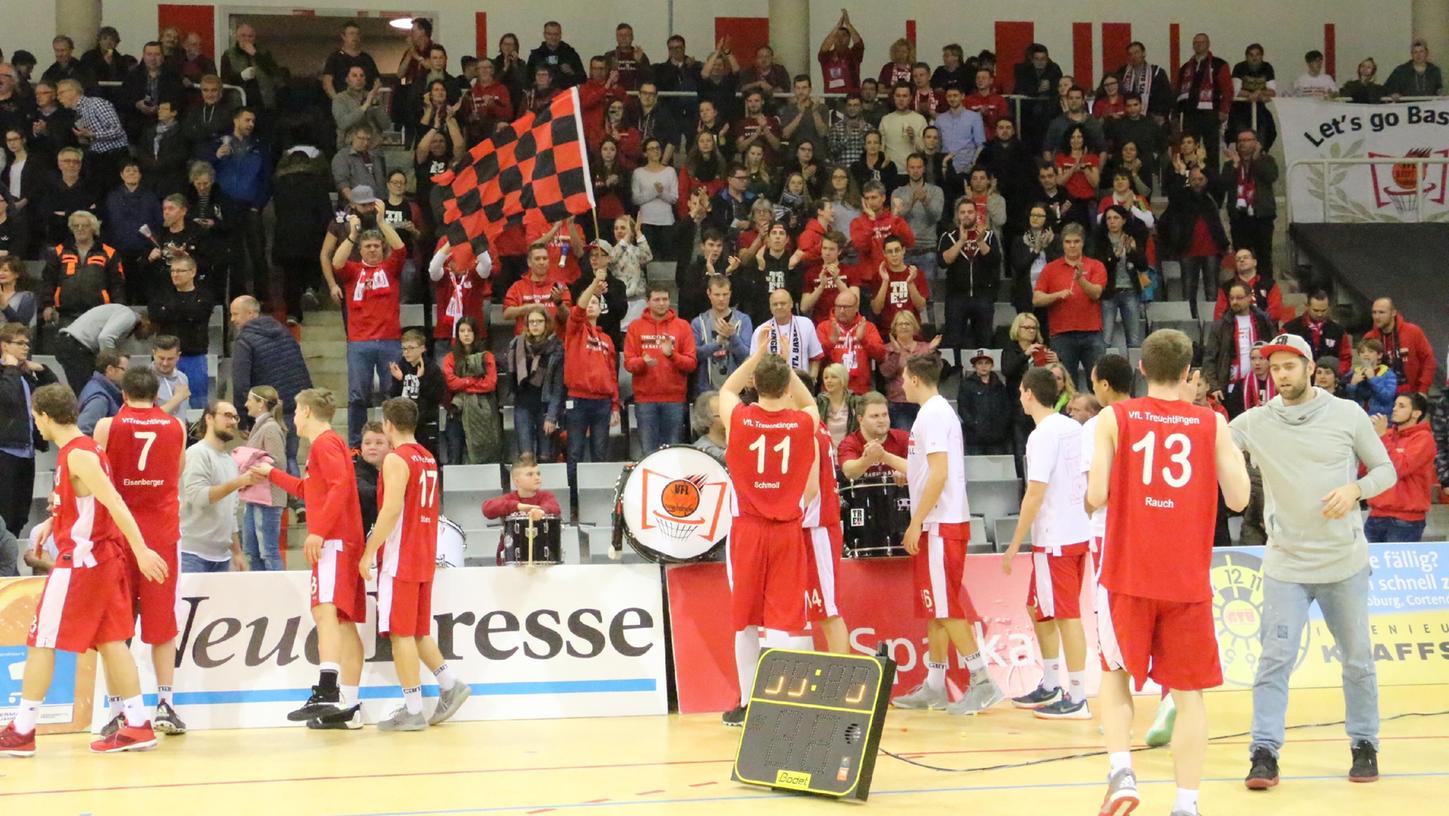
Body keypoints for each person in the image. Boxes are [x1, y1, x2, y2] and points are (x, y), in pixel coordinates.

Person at [1086, 328, 1250, 816]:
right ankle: (1187, 803)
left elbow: (1095, 494)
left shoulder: (1114, 418)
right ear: (1188, 374)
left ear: (1141, 369)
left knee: (1114, 675)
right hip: (1185, 579)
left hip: (1128, 572)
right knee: (1189, 695)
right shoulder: (1211, 423)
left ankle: (1122, 773)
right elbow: (1240, 499)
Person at [1228, 333, 1395, 790]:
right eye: (1273, 367)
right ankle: (1264, 752)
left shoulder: (1347, 414)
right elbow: (1213, 442)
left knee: (1358, 660)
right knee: (1274, 660)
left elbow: (1386, 471)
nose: (1280, 375)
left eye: (1288, 366)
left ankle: (1365, 744)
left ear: (1307, 367)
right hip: (1286, 564)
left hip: (1344, 563)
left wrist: (1355, 489)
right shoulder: (1256, 422)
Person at [0, 383, 169, 757]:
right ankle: (138, 724)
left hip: (82, 563)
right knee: (112, 642)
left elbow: (115, 503)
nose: (35, 425)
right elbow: (86, 504)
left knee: (42, 640)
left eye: (35, 417)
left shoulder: (79, 456)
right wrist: (53, 521)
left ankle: (22, 729)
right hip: (103, 561)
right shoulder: (84, 449)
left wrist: (141, 549)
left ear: (44, 416)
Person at [891, 354, 1006, 714]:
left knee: (946, 606)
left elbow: (939, 475)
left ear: (913, 377)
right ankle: (936, 685)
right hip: (937, 522)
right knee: (935, 607)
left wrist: (915, 521)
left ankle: (982, 681)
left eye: (904, 377)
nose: (901, 383)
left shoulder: (935, 414)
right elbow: (928, 470)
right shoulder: (932, 412)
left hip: (939, 524)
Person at [718, 333, 821, 726]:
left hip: (748, 529)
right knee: (782, 621)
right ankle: (779, 703)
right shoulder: (801, 423)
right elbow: (811, 401)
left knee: (744, 620)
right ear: (786, 387)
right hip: (786, 531)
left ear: (756, 386)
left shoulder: (740, 418)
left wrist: (758, 355)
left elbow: (728, 387)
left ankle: (746, 703)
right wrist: (784, 363)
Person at [252, 388, 367, 730]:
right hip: (342, 539)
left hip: (333, 540)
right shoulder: (330, 445)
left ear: (304, 411)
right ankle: (349, 705)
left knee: (325, 612)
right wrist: (270, 473)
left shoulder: (324, 444)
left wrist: (318, 531)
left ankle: (329, 690)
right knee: (343, 621)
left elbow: (341, 486)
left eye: (296, 413)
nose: (293, 420)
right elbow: (310, 491)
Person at [361, 398, 472, 730]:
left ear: (388, 425)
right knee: (418, 630)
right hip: (424, 551)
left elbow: (392, 510)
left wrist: (369, 551)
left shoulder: (396, 458)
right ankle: (450, 684)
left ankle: (412, 709)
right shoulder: (427, 456)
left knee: (400, 634)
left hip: (401, 555)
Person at [87, 366, 187, 734]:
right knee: (162, 625)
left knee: (116, 627)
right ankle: (165, 704)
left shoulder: (107, 427)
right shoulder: (176, 427)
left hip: (120, 537)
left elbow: (97, 478)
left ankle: (118, 710)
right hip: (160, 536)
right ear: (158, 395)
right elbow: (176, 473)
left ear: (123, 395)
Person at [1000, 366, 1094, 718]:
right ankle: (1052, 682)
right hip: (1076, 533)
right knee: (1037, 607)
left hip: (1055, 538)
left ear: (1027, 393)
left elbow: (1034, 493)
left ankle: (1078, 696)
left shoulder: (1041, 436)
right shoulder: (1073, 427)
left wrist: (1014, 544)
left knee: (1067, 616)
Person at [332, 205, 407, 446]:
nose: (373, 249)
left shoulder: (390, 268)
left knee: (391, 394)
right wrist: (352, 235)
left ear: (381, 248)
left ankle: (394, 440)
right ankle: (356, 445)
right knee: (357, 396)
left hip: (389, 340)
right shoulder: (353, 271)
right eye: (368, 246)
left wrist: (382, 222)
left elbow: (400, 248)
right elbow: (336, 262)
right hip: (359, 342)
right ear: (361, 250)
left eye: (376, 246)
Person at [230, 295, 311, 472]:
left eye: (236, 314)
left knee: (268, 461)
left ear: (251, 313)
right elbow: (300, 369)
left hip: (266, 410)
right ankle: (295, 496)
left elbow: (241, 383)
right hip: (292, 406)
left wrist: (242, 419)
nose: (232, 319)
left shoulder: (244, 340)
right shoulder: (283, 331)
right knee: (290, 457)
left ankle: (278, 499)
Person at [178, 400, 251, 573]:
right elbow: (199, 498)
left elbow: (231, 514)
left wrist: (238, 553)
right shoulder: (197, 453)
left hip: (222, 555)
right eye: (227, 415)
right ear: (209, 418)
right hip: (192, 555)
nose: (233, 421)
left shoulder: (229, 461)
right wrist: (238, 482)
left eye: (235, 417)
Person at [624, 286, 696, 453]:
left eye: (665, 299)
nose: (661, 303)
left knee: (673, 451)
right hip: (645, 400)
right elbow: (628, 363)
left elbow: (691, 363)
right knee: (648, 453)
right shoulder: (635, 327)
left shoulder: (682, 326)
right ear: (648, 302)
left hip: (675, 400)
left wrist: (672, 355)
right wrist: (642, 362)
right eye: (657, 300)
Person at [1033, 223, 1105, 389]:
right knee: (1064, 384)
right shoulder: (1050, 268)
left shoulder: (1095, 265)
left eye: (1076, 241)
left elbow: (1096, 293)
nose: (1072, 245)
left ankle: (1099, 415)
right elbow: (1036, 299)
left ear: (1083, 243)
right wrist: (1057, 295)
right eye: (1068, 242)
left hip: (1092, 333)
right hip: (1061, 335)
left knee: (1098, 382)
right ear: (1062, 244)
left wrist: (1080, 279)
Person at [563, 270, 620, 470]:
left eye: (595, 302)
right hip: (578, 399)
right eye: (589, 302)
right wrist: (595, 280)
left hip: (602, 402)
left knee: (600, 452)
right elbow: (578, 309)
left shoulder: (607, 340)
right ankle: (573, 498)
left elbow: (612, 375)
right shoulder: (575, 329)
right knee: (575, 451)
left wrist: (614, 405)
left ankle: (597, 495)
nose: (590, 305)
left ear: (601, 308)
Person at [804, 415, 850, 654]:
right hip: (815, 527)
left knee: (828, 612)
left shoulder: (807, 428)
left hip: (815, 528)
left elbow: (810, 489)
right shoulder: (817, 424)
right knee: (820, 611)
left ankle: (843, 685)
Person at [1365, 393, 1436, 543]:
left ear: (1416, 413)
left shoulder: (1424, 438)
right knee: (1366, 567)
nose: (1394, 409)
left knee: (1395, 567)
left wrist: (1382, 436)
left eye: (1401, 406)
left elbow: (1399, 468)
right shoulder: (1387, 435)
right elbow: (1368, 469)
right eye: (1395, 405)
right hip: (1376, 514)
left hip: (1405, 520)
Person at [1161, 166, 1228, 316]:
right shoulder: (1182, 197)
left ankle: (1213, 323)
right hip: (1187, 249)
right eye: (1193, 179)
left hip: (1212, 249)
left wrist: (1205, 168)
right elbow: (1172, 193)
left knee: (1212, 291)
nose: (1197, 183)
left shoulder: (1212, 195)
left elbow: (1220, 185)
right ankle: (1191, 323)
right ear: (1188, 181)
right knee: (1188, 292)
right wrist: (1180, 174)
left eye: (1201, 179)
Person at [1205, 282, 1277, 418]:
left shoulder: (1264, 321)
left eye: (1239, 298)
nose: (1234, 302)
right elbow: (1209, 358)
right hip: (1231, 387)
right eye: (1231, 298)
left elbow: (1274, 350)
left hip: (1263, 383)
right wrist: (1214, 387)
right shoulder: (1220, 325)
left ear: (1250, 297)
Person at [150, 256, 212, 408]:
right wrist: (184, 311)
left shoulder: (204, 296)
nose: (175, 274)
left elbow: (197, 314)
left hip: (193, 357)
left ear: (192, 272)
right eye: (172, 271)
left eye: (180, 271)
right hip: (165, 357)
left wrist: (171, 310)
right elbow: (156, 315)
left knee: (197, 402)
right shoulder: (162, 294)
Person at [42, 210, 125, 325]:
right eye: (76, 226)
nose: (80, 229)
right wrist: (47, 305)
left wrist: (118, 309)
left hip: (99, 314)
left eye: (85, 226)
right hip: (64, 314)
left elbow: (117, 284)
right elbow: (48, 281)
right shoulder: (58, 252)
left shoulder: (109, 253)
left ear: (93, 228)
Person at [938, 197, 1000, 350]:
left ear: (976, 214)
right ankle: (955, 372)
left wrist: (980, 241)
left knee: (984, 339)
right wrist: (961, 242)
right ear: (957, 215)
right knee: (953, 339)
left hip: (983, 295)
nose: (966, 215)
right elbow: (943, 261)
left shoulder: (989, 236)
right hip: (956, 296)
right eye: (963, 212)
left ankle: (983, 372)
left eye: (970, 212)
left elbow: (994, 260)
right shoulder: (949, 236)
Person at [440, 316, 500, 466]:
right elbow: (451, 383)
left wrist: (464, 385)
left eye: (469, 331)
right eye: (462, 331)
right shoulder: (450, 358)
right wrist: (473, 381)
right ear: (457, 334)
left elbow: (490, 383)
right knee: (455, 454)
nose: (466, 334)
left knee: (485, 454)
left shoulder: (487, 356)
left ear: (475, 334)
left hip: (483, 411)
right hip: (457, 412)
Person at [506, 309, 563, 462]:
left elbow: (558, 388)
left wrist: (551, 416)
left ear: (546, 324)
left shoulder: (556, 348)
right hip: (523, 405)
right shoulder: (516, 344)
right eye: (532, 322)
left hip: (544, 407)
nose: (535, 325)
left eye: (539, 321)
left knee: (545, 457)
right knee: (526, 457)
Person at [241, 385, 287, 571]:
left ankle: (277, 591)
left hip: (268, 498)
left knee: (268, 551)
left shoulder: (270, 429)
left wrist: (250, 464)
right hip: (255, 496)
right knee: (252, 551)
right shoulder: (263, 427)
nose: (246, 404)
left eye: (250, 400)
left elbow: (278, 464)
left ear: (261, 404)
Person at [1222, 129, 1278, 280]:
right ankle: (1243, 288)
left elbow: (1270, 176)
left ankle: (1266, 290)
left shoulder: (1266, 160)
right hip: (1240, 218)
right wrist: (1234, 164)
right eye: (1240, 141)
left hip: (1261, 216)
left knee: (1263, 256)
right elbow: (1224, 184)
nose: (1243, 144)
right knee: (1241, 256)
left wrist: (1255, 158)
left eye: (1247, 140)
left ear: (1256, 143)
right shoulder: (1231, 164)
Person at [1091, 205, 1149, 349]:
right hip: (1109, 293)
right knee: (1105, 339)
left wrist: (1133, 251)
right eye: (1109, 218)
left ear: (1124, 220)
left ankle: (1134, 370)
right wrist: (1115, 256)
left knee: (1134, 340)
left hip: (1130, 292)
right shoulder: (1100, 241)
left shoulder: (1131, 239)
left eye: (1116, 218)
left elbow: (1143, 266)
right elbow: (1099, 268)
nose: (1112, 221)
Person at [1175, 33, 1233, 170]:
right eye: (1196, 42)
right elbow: (1178, 91)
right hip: (1190, 115)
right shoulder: (1185, 67)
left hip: (1211, 115)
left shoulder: (1219, 64)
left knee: (1211, 151)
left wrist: (1224, 110)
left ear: (1208, 44)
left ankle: (1212, 186)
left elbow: (1228, 90)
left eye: (1202, 42)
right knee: (1189, 150)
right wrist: (1176, 114)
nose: (1199, 44)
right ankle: (1189, 183)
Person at [816, 285, 884, 395]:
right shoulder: (824, 327)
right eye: (838, 307)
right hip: (831, 392)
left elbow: (881, 355)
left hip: (860, 392)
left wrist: (864, 340)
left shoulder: (867, 326)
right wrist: (831, 342)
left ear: (856, 307)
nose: (842, 311)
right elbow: (816, 357)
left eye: (846, 307)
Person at [388, 329, 445, 459]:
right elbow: (394, 396)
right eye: (404, 348)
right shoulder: (400, 367)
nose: (406, 352)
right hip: (403, 422)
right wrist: (399, 380)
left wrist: (420, 380)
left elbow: (436, 396)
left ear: (422, 348)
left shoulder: (432, 369)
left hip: (425, 422)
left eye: (411, 348)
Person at [879, 311, 940, 430]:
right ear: (894, 328)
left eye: (907, 323)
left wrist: (931, 352)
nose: (903, 326)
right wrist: (896, 354)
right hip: (899, 404)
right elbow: (886, 373)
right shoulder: (887, 349)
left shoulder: (925, 347)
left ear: (914, 327)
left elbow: (935, 372)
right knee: (907, 442)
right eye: (900, 324)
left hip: (924, 402)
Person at [691, 275, 752, 393]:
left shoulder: (743, 320)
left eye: (725, 294)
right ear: (708, 293)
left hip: (737, 390)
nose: (721, 299)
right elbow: (694, 355)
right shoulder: (699, 322)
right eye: (717, 295)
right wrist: (717, 343)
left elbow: (747, 357)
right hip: (707, 390)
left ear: (730, 293)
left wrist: (733, 336)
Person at [1364, 297, 1436, 395]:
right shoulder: (1370, 338)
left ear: (1393, 313)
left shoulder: (1413, 332)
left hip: (1411, 395)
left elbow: (1429, 361)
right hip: (1381, 397)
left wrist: (1422, 390)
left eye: (1381, 312)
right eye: (1374, 312)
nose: (1377, 317)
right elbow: (1365, 367)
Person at [750, 288, 824, 378]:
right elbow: (754, 363)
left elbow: (815, 357)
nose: (779, 307)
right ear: (770, 307)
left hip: (800, 384)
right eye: (775, 304)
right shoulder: (761, 330)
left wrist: (812, 380)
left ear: (791, 304)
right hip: (772, 386)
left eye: (783, 303)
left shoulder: (806, 324)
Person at [838, 392, 910, 480]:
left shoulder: (904, 438)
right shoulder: (849, 443)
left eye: (885, 415)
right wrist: (868, 459)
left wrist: (903, 469)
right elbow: (849, 472)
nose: (881, 420)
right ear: (860, 419)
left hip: (899, 492)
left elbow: (921, 467)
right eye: (875, 416)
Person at [1283, 292, 1352, 377]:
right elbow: (1282, 356)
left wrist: (1336, 373)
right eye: (1316, 310)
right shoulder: (1290, 329)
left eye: (1324, 310)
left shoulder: (1338, 331)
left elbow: (1346, 358)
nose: (1320, 314)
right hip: (1299, 379)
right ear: (1307, 306)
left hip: (1329, 383)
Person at [958, 350, 1013, 455]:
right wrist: (975, 424)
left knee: (996, 470)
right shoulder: (967, 385)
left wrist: (1000, 428)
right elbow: (963, 409)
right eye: (979, 363)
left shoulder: (999, 385)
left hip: (997, 439)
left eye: (987, 363)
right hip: (975, 438)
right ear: (974, 366)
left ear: (992, 365)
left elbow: (1006, 409)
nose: (983, 366)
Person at [484, 453, 563, 521]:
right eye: (530, 474)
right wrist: (518, 506)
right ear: (517, 481)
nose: (537, 477)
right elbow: (487, 508)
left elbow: (555, 508)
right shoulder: (510, 498)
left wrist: (541, 511)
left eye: (538, 474)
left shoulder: (546, 496)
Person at [321, 21, 380, 99]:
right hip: (343, 104)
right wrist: (337, 101)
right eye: (351, 33)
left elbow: (377, 81)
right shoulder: (334, 58)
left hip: (364, 103)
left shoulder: (367, 58)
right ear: (343, 36)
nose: (355, 36)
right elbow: (327, 82)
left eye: (357, 34)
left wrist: (371, 97)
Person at [76, 348, 127, 435]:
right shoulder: (99, 399)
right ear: (110, 369)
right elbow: (83, 431)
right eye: (124, 370)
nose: (126, 374)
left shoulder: (98, 388)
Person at [817, 9, 865, 98]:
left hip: (851, 99)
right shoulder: (827, 57)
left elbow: (859, 43)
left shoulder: (854, 54)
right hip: (831, 99)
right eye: (837, 36)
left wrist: (848, 25)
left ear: (849, 38)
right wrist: (837, 26)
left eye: (844, 35)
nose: (840, 38)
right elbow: (823, 49)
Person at [1349, 338, 1398, 417]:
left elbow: (1387, 397)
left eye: (1370, 351)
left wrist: (1373, 379)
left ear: (1379, 355)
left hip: (1380, 418)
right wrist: (1352, 384)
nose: (1366, 354)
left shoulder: (1388, 374)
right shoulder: (1354, 373)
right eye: (1362, 352)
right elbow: (1349, 399)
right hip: (1359, 417)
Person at [148, 335, 190, 418]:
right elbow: (146, 417)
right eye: (161, 358)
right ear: (154, 354)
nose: (165, 363)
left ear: (178, 356)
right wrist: (177, 399)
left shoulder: (183, 378)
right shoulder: (143, 378)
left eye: (170, 359)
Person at [691, 391, 726, 458]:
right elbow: (728, 459)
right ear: (706, 419)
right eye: (723, 413)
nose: (729, 416)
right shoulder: (702, 449)